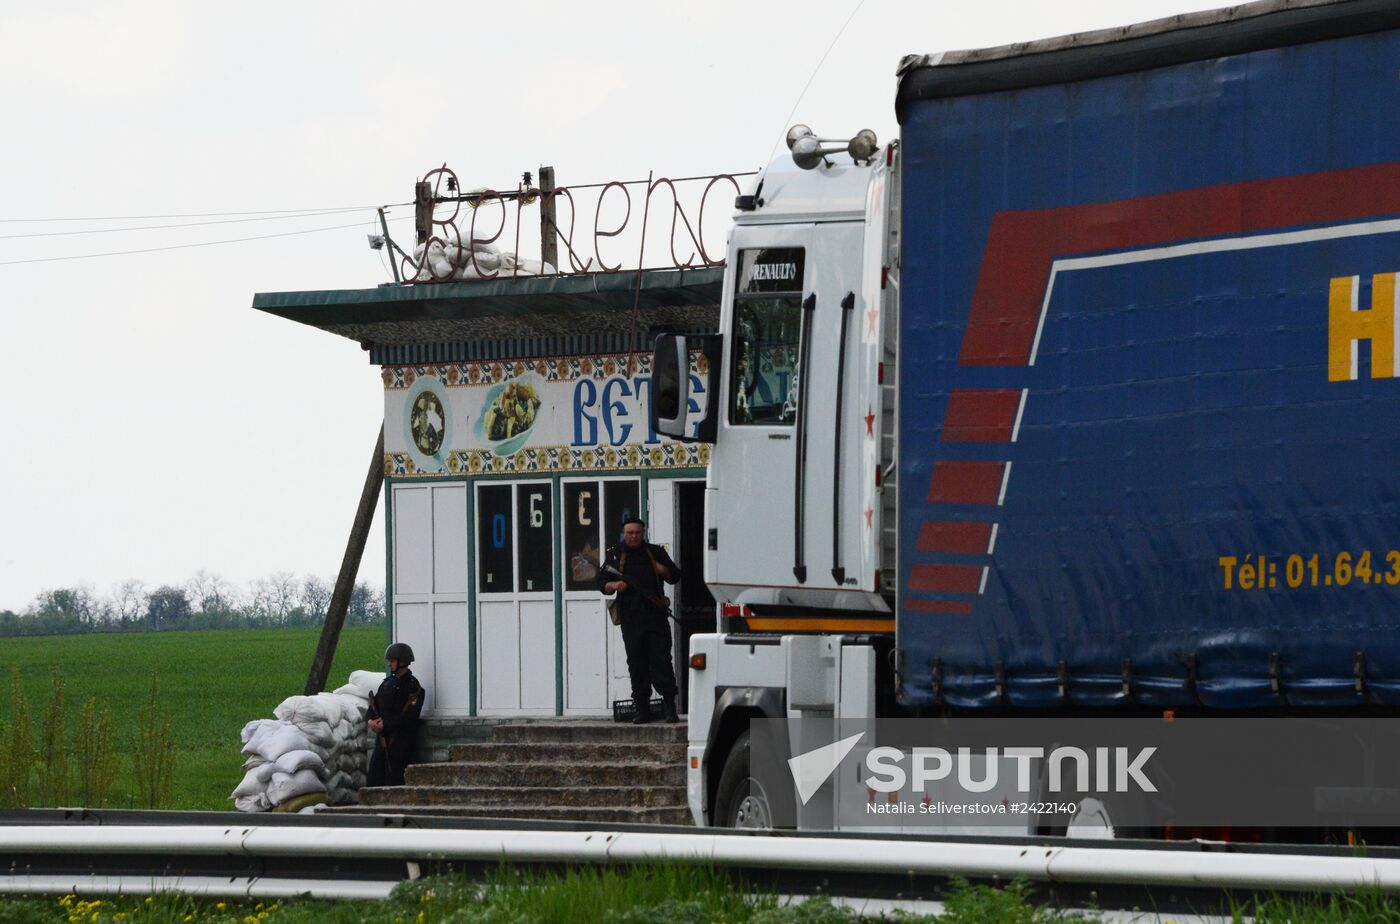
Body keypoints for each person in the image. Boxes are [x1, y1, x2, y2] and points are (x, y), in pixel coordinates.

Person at [599, 517, 682, 724]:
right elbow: (602, 583)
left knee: (661, 661)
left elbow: (675, 576)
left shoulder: (655, 552)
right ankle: (642, 710)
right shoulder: (615, 554)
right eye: (630, 533)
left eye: (637, 532)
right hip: (631, 617)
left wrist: (661, 569)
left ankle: (670, 708)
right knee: (636, 662)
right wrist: (615, 584)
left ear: (643, 533)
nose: (634, 536)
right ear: (623, 533)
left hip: (655, 616)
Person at [367, 642, 425, 786]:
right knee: (374, 779)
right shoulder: (386, 684)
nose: (389, 664)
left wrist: (385, 725)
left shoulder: (413, 687)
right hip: (382, 741)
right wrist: (371, 721)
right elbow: (374, 706)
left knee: (394, 782)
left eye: (392, 661)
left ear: (403, 662)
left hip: (400, 743)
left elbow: (409, 718)